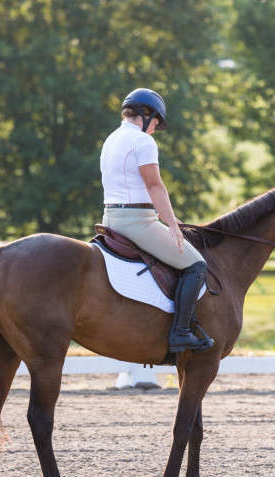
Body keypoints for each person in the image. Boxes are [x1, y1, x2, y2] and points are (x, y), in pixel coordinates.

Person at [100, 88, 213, 353]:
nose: (154, 130)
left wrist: (168, 217)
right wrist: (172, 224)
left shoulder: (112, 138)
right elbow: (155, 186)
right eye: (156, 123)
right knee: (196, 265)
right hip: (136, 221)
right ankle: (181, 333)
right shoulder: (142, 141)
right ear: (145, 114)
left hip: (110, 217)